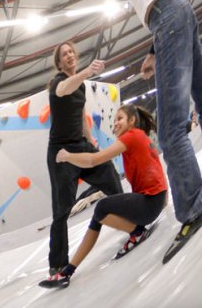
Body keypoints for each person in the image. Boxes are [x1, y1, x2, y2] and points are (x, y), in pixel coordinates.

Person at [0, 0, 202, 263]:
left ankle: (193, 208)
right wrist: (153, 50)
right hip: (176, 10)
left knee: (171, 128)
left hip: (166, 17)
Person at [40, 104, 168, 288]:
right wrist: (165, 197)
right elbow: (157, 166)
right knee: (99, 215)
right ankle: (67, 272)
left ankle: (137, 232)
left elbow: (94, 160)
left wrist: (67, 156)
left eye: (120, 119)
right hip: (153, 201)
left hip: (149, 204)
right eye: (114, 120)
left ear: (132, 121)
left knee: (102, 207)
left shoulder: (131, 137)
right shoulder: (140, 137)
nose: (115, 123)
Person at [36, 40, 123, 279]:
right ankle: (57, 265)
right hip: (61, 154)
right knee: (62, 210)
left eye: (71, 51)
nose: (69, 55)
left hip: (81, 145)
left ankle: (129, 218)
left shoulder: (81, 87)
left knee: (111, 177)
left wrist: (92, 142)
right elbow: (64, 89)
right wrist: (88, 71)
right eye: (64, 54)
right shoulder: (57, 83)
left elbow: (81, 116)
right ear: (59, 62)